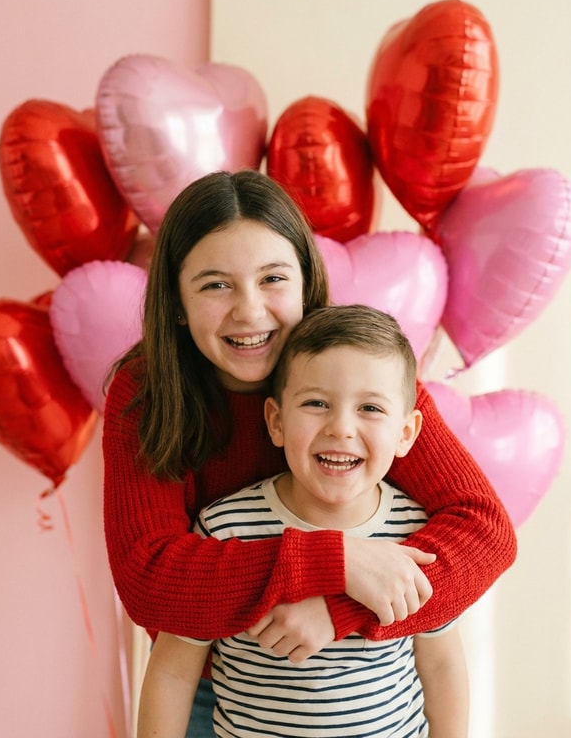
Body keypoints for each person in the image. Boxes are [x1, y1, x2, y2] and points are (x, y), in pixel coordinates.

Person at [102, 169, 515, 735]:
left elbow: (485, 530)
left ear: (305, 283)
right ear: (176, 302)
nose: (249, 312)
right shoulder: (147, 392)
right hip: (219, 694)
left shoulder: (361, 377)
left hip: (376, 693)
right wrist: (336, 562)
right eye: (214, 284)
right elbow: (150, 581)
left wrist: (343, 607)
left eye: (273, 278)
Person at [137, 305, 469, 738]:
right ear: (275, 421)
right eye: (316, 403)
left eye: (370, 407)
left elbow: (441, 664)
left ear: (406, 432)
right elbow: (172, 675)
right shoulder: (225, 529)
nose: (341, 428)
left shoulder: (416, 532)